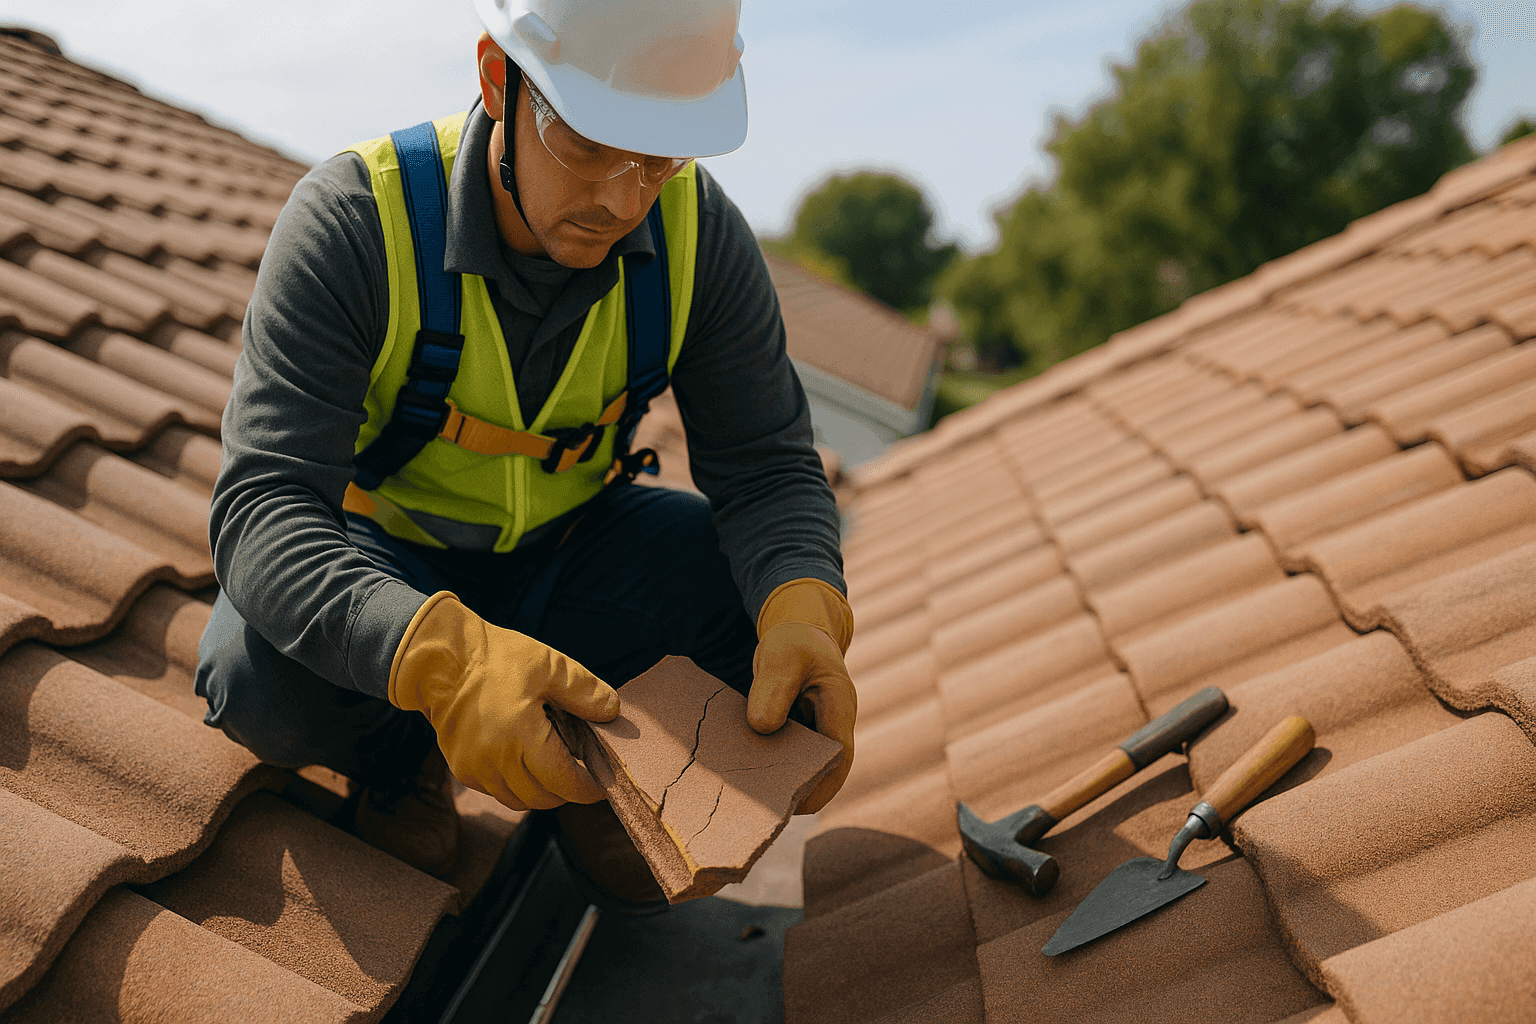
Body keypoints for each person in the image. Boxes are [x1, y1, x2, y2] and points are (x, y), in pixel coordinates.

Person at [195, 0, 855, 906]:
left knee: (752, 602)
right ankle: (407, 757)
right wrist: (443, 660)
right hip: (399, 562)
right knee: (253, 675)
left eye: (659, 158)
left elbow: (769, 470)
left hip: (578, 557)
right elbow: (263, 511)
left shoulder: (702, 238)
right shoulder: (355, 221)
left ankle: (608, 768)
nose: (624, 201)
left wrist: (805, 612)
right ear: (495, 78)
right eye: (589, 142)